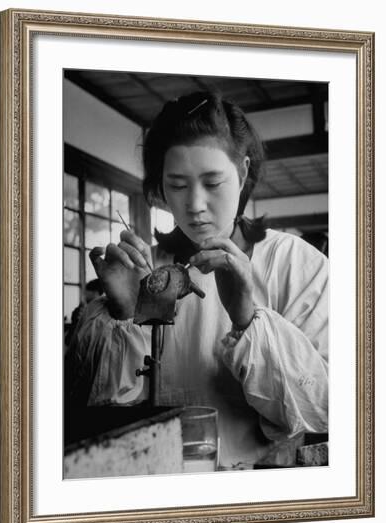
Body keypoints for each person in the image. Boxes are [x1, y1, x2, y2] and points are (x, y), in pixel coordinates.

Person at [66, 92, 328, 468]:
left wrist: (246, 318)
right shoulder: (148, 268)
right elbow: (90, 415)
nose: (195, 205)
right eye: (177, 184)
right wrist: (123, 312)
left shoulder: (295, 263)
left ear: (241, 173)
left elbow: (327, 409)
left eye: (212, 182)